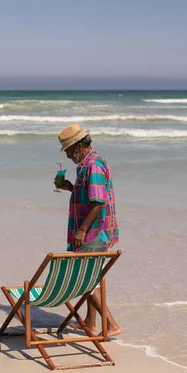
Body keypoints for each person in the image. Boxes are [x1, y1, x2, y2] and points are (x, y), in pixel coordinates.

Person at [55, 123, 121, 337]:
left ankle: (110, 324)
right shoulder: (85, 165)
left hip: (94, 231)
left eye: (67, 150)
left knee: (84, 279)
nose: (66, 156)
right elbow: (90, 196)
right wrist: (70, 188)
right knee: (91, 278)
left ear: (77, 146)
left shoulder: (94, 165)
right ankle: (91, 322)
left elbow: (98, 202)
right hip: (93, 230)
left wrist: (82, 231)